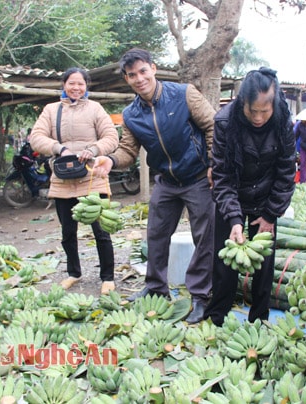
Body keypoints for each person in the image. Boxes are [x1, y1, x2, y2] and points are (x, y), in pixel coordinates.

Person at [93, 48, 216, 323]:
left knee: (204, 238)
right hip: (167, 181)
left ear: (153, 68)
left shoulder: (184, 94)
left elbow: (213, 125)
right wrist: (111, 161)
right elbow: (127, 150)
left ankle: (200, 295)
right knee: (156, 235)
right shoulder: (131, 114)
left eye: (142, 71)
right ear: (127, 79)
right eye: (132, 75)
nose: (139, 79)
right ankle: (157, 288)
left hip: (198, 177)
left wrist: (213, 164)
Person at [203, 67, 296, 326]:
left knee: (264, 264)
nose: (258, 117)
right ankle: (216, 317)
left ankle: (259, 319)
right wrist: (234, 218)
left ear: (274, 105)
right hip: (232, 193)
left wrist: (270, 214)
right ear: (242, 102)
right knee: (224, 260)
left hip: (267, 198)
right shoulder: (224, 121)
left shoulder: (283, 122)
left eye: (264, 111)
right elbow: (222, 175)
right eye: (252, 110)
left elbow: (286, 171)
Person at [30, 67, 119, 295]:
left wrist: (94, 149)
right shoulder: (51, 110)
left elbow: (111, 137)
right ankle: (73, 273)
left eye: (81, 84)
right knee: (68, 232)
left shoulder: (95, 108)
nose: (76, 88)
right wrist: (60, 148)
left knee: (101, 230)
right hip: (62, 179)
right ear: (64, 84)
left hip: (92, 178)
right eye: (72, 83)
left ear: (86, 86)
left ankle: (107, 277)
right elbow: (36, 137)